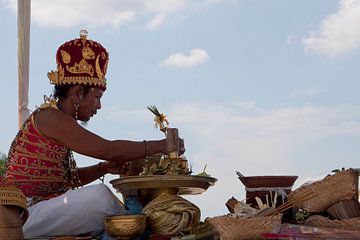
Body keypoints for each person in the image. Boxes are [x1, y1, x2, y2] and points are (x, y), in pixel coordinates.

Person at [3, 30, 184, 238]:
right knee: (101, 197)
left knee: (100, 200)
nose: (99, 106)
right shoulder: (50, 117)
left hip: (35, 211)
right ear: (78, 93)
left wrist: (103, 169)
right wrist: (162, 145)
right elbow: (108, 149)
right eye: (97, 97)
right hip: (20, 216)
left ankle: (136, 223)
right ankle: (138, 223)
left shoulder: (54, 117)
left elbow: (67, 180)